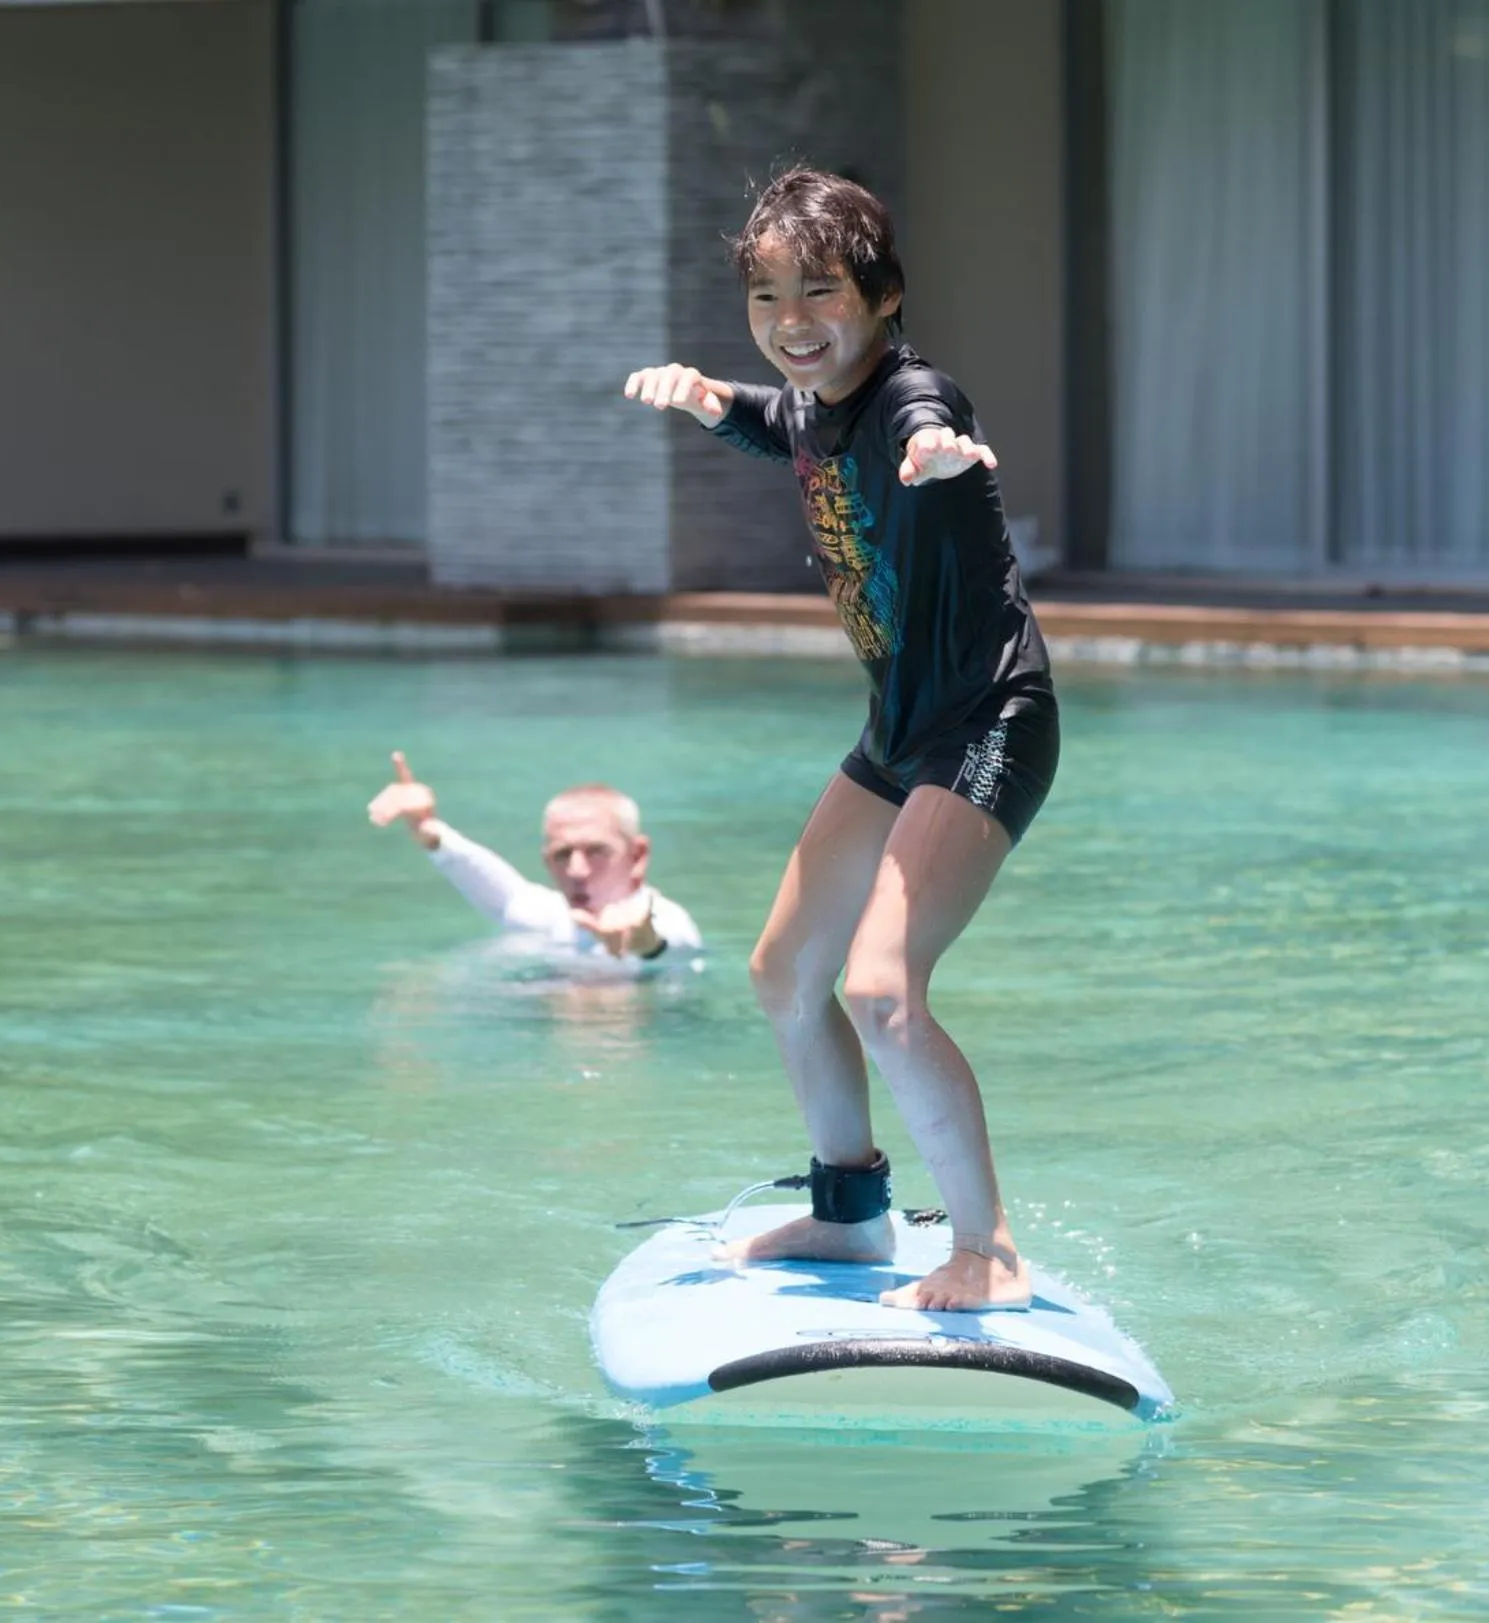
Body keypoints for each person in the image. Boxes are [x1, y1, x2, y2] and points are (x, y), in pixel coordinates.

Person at [621, 167, 1059, 1313]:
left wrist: (944, 456)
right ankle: (851, 1215)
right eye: (766, 299)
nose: (791, 324)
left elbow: (920, 425)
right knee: (783, 971)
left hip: (986, 722)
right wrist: (710, 398)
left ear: (883, 295)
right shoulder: (817, 400)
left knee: (880, 990)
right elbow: (786, 426)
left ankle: (988, 1249)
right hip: (899, 727)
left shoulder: (920, 400)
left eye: (819, 293)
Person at [367, 752, 702, 962]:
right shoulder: (544, 915)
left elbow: (666, 948)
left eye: (596, 851)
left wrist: (642, 943)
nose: (577, 869)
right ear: (545, 861)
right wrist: (427, 828)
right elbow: (485, 875)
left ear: (638, 855)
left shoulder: (671, 921)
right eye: (562, 854)